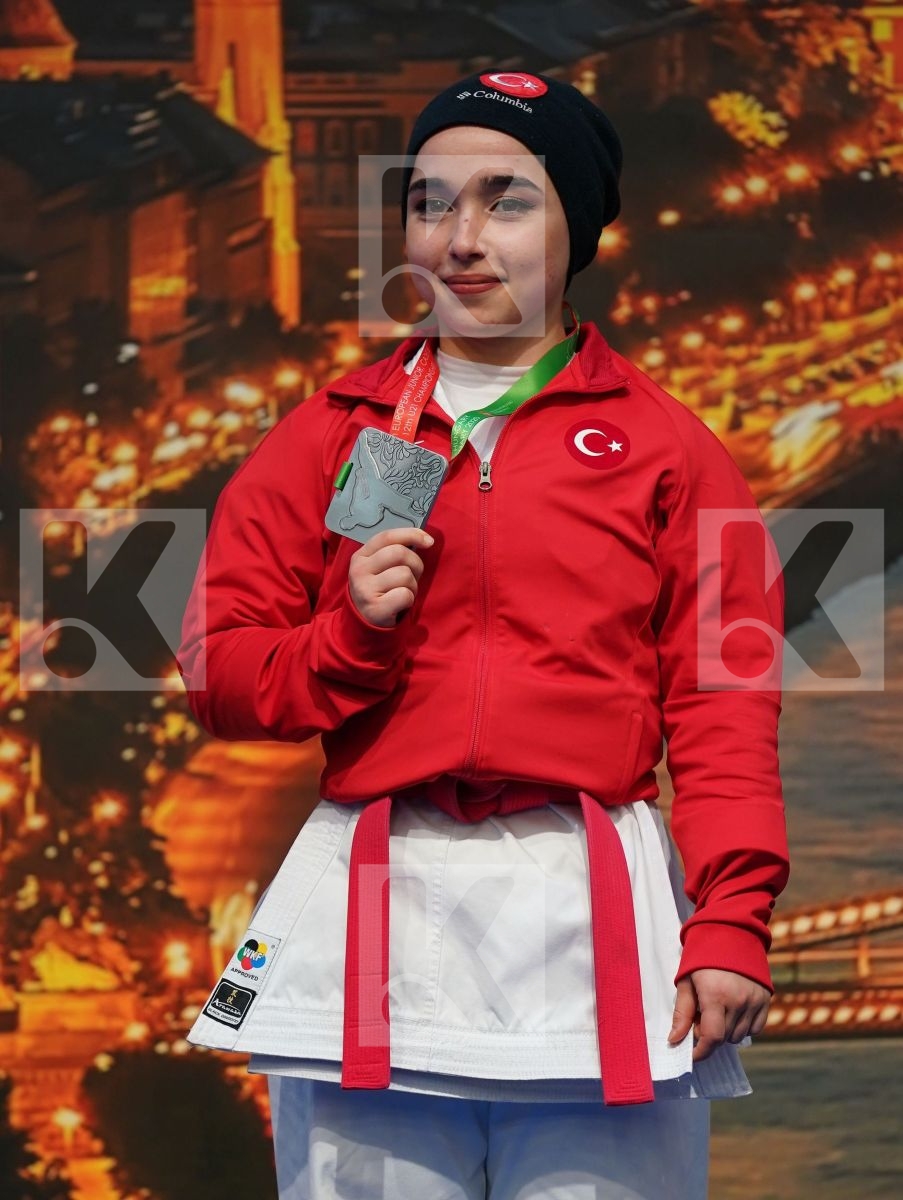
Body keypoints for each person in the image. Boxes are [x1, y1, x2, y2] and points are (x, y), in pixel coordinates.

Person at [177, 69, 790, 1199]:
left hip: (593, 923)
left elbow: (724, 708)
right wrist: (346, 638)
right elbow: (218, 671)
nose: (459, 238)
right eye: (428, 201)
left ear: (583, 224)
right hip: (370, 912)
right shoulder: (337, 435)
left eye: (506, 200)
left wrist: (731, 925)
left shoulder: (670, 451)